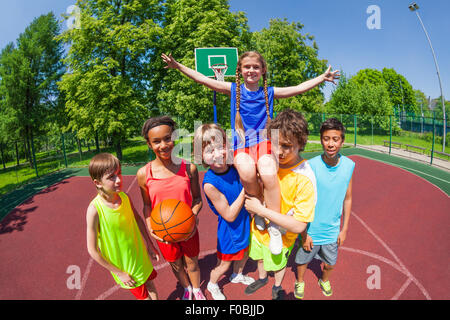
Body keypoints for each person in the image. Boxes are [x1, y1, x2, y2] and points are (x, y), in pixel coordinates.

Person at [162, 51, 338, 255]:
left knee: (268, 170)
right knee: (245, 170)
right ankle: (260, 207)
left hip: (264, 141)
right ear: (240, 71)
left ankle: (273, 224)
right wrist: (178, 66)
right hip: (241, 144)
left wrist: (322, 78)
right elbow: (203, 79)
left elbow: (297, 89)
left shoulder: (269, 92)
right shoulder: (234, 90)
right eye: (247, 67)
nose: (251, 70)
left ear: (263, 70)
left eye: (256, 67)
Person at [243, 109, 317, 300]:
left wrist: (260, 209)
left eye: (286, 146)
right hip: (260, 228)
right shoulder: (269, 161)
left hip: (282, 236)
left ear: (301, 143)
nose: (279, 151)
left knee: (278, 263)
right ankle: (261, 278)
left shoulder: (305, 177)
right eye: (275, 143)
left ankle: (277, 286)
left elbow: (300, 225)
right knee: (259, 256)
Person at [136, 116, 205, 300]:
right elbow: (146, 205)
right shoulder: (144, 174)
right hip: (163, 231)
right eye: (156, 141)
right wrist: (151, 227)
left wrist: (193, 214)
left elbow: (197, 199)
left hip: (187, 227)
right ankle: (186, 288)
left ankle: (197, 289)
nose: (164, 145)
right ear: (149, 144)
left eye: (167, 138)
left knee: (192, 263)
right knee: (175, 265)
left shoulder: (189, 168)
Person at [294, 118, 354, 299]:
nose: (330, 144)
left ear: (342, 141)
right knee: (302, 261)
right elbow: (300, 201)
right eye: (326, 139)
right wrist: (304, 233)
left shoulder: (349, 166)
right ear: (321, 140)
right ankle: (300, 282)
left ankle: (324, 280)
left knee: (330, 264)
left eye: (335, 139)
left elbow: (348, 198)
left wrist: (344, 229)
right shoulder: (310, 166)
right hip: (311, 229)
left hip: (332, 231)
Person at [86, 153, 159, 300]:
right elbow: (93, 250)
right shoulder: (95, 210)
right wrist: (119, 272)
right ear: (98, 182)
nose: (119, 179)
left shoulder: (125, 197)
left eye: (119, 173)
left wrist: (149, 245)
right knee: (144, 297)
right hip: (125, 267)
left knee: (151, 285)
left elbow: (138, 220)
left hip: (140, 257)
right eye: (111, 177)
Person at [194, 123, 255, 300]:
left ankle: (237, 275)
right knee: (224, 264)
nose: (218, 154)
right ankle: (213, 284)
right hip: (230, 230)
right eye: (210, 151)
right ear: (201, 156)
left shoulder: (234, 165)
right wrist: (246, 189)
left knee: (246, 252)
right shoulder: (210, 184)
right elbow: (228, 214)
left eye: (221, 147)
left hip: (244, 221)